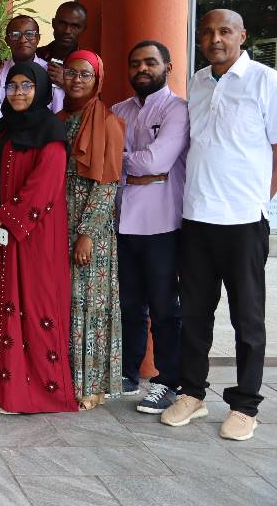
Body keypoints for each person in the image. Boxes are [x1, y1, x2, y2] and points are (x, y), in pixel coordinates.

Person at [162, 9, 277, 441]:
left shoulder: (266, 82)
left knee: (247, 318)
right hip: (196, 217)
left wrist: (258, 203)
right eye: (208, 32)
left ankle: (245, 405)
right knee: (194, 313)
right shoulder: (197, 82)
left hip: (243, 222)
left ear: (242, 35)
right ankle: (192, 393)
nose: (216, 39)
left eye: (225, 31)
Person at [0, 62, 76, 414]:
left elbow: (43, 187)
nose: (18, 93)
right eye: (12, 86)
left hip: (33, 238)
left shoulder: (51, 132)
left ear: (41, 89)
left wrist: (1, 217)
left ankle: (30, 394)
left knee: (32, 307)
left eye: (26, 86)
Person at [111, 41, 188, 413]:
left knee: (163, 307)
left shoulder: (178, 111)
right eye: (136, 62)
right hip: (124, 222)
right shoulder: (118, 110)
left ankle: (168, 380)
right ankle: (127, 373)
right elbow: (105, 160)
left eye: (150, 62)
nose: (142, 68)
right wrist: (136, 166)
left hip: (162, 224)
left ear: (167, 66)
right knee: (128, 304)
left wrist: (124, 161)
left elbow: (158, 160)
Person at [58, 49, 124, 411]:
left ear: (97, 79)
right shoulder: (58, 118)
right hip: (57, 223)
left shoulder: (108, 121)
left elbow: (107, 184)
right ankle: (64, 378)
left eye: (85, 74)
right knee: (64, 303)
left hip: (89, 226)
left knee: (88, 306)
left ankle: (90, 385)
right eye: (71, 73)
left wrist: (87, 232)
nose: (77, 79)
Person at [0, 15, 63, 112]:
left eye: (30, 34)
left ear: (38, 38)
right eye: (15, 35)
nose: (23, 40)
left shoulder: (52, 73)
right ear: (7, 40)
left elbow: (58, 111)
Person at [37, 1, 87, 88]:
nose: (67, 31)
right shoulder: (37, 55)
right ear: (53, 24)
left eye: (74, 26)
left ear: (83, 29)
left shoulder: (87, 64)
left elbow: (91, 99)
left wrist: (67, 82)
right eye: (62, 24)